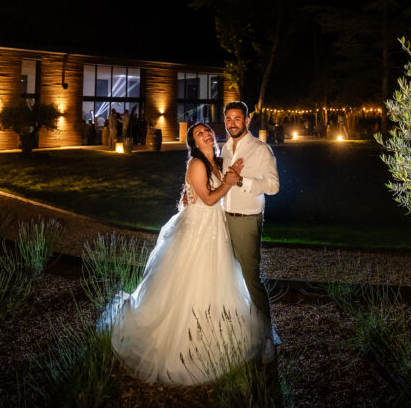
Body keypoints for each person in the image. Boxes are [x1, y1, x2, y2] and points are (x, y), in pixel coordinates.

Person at [101, 123, 263, 385]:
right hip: (198, 230)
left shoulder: (217, 163)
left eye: (208, 130)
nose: (206, 135)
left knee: (217, 278)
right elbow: (209, 199)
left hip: (214, 228)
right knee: (192, 280)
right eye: (199, 134)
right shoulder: (197, 165)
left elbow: (198, 197)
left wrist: (233, 178)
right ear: (194, 143)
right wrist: (229, 182)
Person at [220, 101, 280, 362]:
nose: (233, 123)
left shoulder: (260, 150)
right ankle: (241, 329)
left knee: (250, 278)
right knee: (228, 276)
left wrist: (241, 180)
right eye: (229, 119)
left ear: (246, 121)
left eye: (237, 119)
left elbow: (274, 186)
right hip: (222, 218)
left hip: (246, 219)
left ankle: (267, 338)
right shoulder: (224, 148)